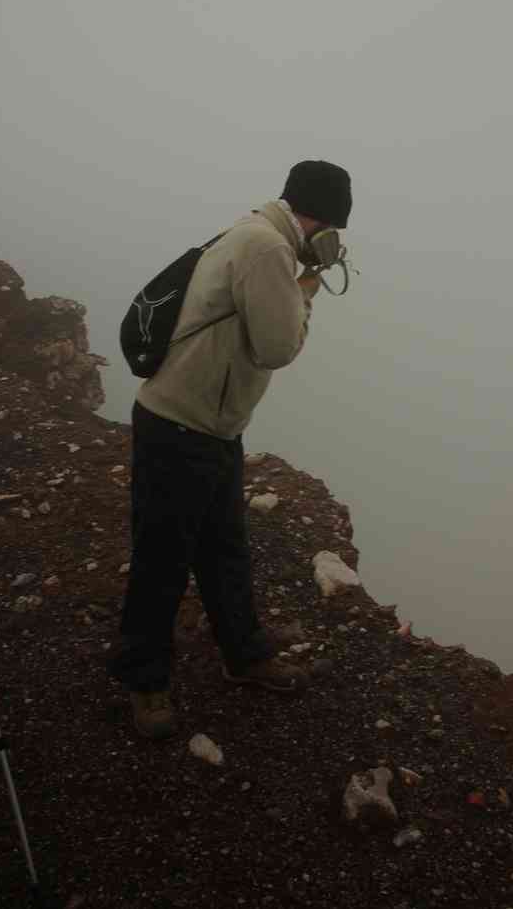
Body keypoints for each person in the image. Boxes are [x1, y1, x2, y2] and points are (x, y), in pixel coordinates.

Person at [107, 160, 353, 740]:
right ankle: (144, 681)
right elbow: (277, 346)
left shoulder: (254, 233)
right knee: (163, 559)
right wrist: (309, 289)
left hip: (206, 425)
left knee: (223, 548)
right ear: (322, 221)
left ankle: (246, 655)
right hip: (183, 425)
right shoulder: (268, 249)